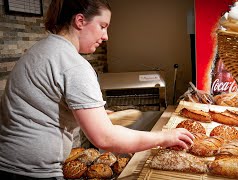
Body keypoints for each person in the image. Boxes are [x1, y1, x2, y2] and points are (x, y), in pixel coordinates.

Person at [0, 0, 194, 179]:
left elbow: (42, 107)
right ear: (80, 21)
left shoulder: (40, 50)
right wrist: (163, 137)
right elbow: (105, 138)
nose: (106, 36)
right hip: (32, 172)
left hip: (8, 163)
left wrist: (96, 114)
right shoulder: (73, 65)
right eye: (102, 26)